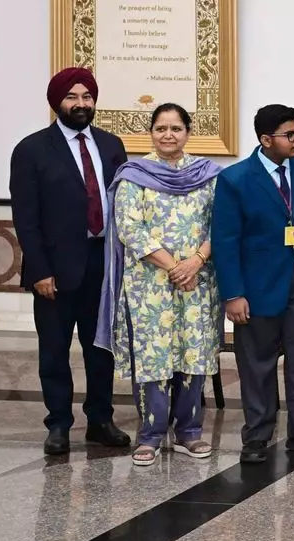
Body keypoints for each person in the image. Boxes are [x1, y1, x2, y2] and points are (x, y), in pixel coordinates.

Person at [212, 104, 294, 464]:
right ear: (266, 139)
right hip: (256, 289)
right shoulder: (235, 179)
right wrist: (233, 294)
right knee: (257, 366)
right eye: (290, 134)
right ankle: (257, 435)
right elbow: (225, 241)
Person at [9, 67, 131, 455]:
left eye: (87, 97)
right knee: (54, 350)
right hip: (55, 270)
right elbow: (26, 219)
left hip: (103, 264)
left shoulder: (111, 145)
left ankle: (100, 420)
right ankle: (58, 424)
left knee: (101, 350)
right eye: (72, 97)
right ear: (56, 102)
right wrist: (40, 270)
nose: (81, 104)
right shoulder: (31, 149)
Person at [94, 103, 222, 466]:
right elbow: (130, 228)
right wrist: (173, 267)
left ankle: (189, 432)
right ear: (151, 132)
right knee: (154, 358)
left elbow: (221, 225)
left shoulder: (209, 175)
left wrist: (195, 262)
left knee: (192, 354)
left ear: (187, 132)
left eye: (176, 128)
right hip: (149, 284)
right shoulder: (134, 175)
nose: (169, 135)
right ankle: (149, 435)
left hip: (198, 282)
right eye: (161, 128)